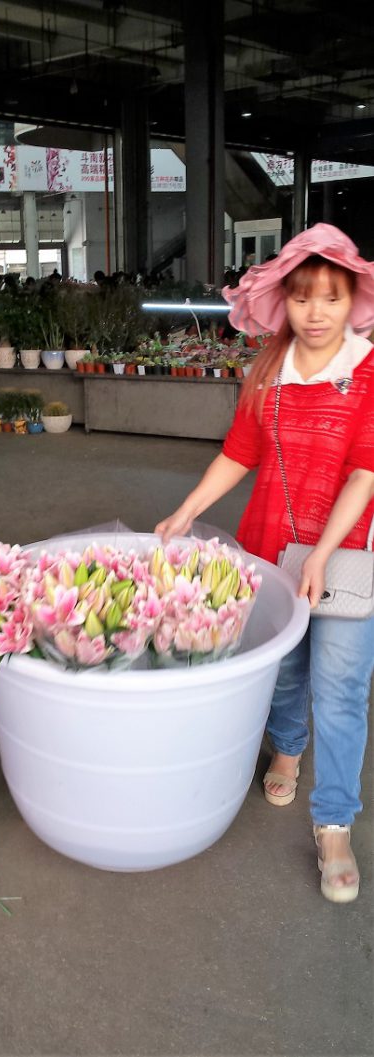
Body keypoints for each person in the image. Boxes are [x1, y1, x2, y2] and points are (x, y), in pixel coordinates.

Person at [156, 223, 374, 904]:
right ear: (283, 300)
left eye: (330, 297)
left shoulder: (368, 369)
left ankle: (333, 821)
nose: (315, 312)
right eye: (303, 296)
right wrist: (187, 509)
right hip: (267, 545)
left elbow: (366, 471)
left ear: (352, 302)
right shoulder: (266, 370)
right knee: (279, 667)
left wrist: (325, 552)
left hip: (346, 555)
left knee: (339, 690)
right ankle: (285, 745)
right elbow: (239, 452)